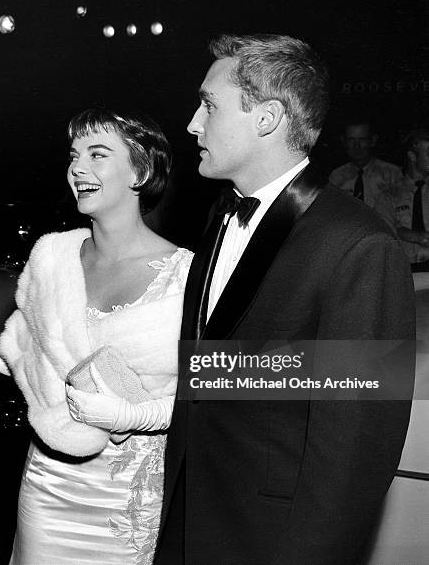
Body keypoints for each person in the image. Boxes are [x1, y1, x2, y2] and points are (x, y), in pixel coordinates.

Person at [154, 34, 415, 565]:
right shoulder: (220, 213)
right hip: (190, 514)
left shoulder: (359, 246)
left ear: (267, 118)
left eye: (208, 106)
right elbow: (228, 371)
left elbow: (355, 449)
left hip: (270, 538)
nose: (192, 124)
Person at [0, 108, 194, 565]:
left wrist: (133, 414)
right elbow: (25, 364)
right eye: (74, 156)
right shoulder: (53, 256)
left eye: (98, 154)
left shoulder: (186, 275)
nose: (77, 169)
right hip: (49, 487)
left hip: (129, 500)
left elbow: (206, 394)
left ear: (142, 171)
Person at [375, 128, 429, 271]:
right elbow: (384, 235)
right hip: (403, 269)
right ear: (412, 156)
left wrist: (406, 233)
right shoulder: (390, 195)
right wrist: (410, 234)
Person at [329, 118, 403, 208]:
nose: (357, 146)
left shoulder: (391, 174)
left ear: (373, 141)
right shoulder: (337, 177)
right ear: (344, 142)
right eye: (351, 140)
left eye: (362, 140)